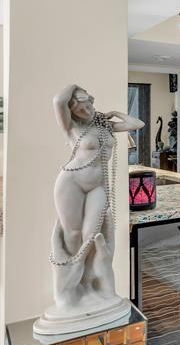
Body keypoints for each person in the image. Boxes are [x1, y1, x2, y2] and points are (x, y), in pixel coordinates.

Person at [48, 84, 143, 320]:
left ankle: (89, 284)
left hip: (98, 187)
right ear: (74, 112)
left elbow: (136, 124)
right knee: (72, 234)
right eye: (81, 109)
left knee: (92, 236)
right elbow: (59, 100)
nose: (87, 110)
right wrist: (75, 88)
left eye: (89, 105)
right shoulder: (71, 127)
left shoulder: (104, 126)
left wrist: (116, 113)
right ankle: (69, 290)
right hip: (71, 181)